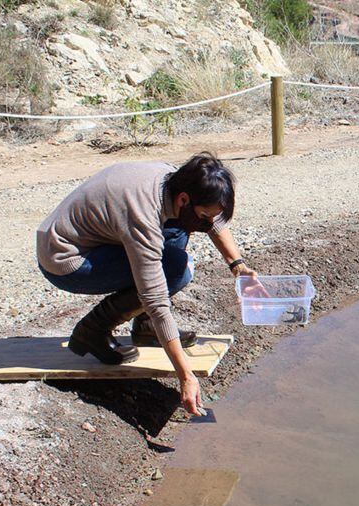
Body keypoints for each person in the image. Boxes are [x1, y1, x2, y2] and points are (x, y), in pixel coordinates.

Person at [36, 153, 257, 416]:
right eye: (204, 217)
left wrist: (237, 265)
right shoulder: (143, 215)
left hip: (88, 239)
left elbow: (214, 218)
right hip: (65, 259)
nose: (208, 225)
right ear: (184, 199)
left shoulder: (177, 182)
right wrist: (185, 376)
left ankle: (145, 328)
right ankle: (93, 330)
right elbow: (155, 298)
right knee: (177, 270)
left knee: (179, 230)